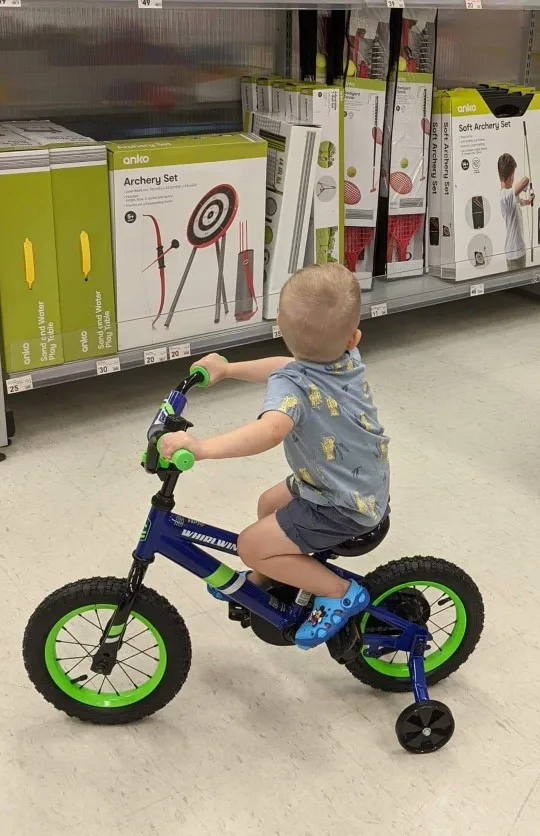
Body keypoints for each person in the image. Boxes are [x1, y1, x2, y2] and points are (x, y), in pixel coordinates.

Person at [160, 264, 390, 650]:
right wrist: (227, 370)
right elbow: (286, 366)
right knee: (268, 504)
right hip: (357, 482)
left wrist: (201, 448)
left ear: (280, 329)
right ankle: (270, 574)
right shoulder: (345, 356)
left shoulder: (294, 389)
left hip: (341, 505)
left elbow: (268, 430)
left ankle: (338, 593)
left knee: (250, 546)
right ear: (354, 336)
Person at [498, 152, 534, 271]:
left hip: (517, 251)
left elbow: (519, 201)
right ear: (511, 176)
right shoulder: (505, 196)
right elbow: (525, 180)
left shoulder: (509, 196)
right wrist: (525, 187)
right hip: (515, 254)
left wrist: (528, 201)